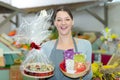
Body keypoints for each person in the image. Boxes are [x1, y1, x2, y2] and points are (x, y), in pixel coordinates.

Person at [41, 6, 92, 80]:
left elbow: (88, 77)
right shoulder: (46, 47)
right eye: (59, 20)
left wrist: (88, 70)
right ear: (55, 23)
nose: (63, 23)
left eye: (67, 19)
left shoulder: (85, 45)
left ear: (72, 22)